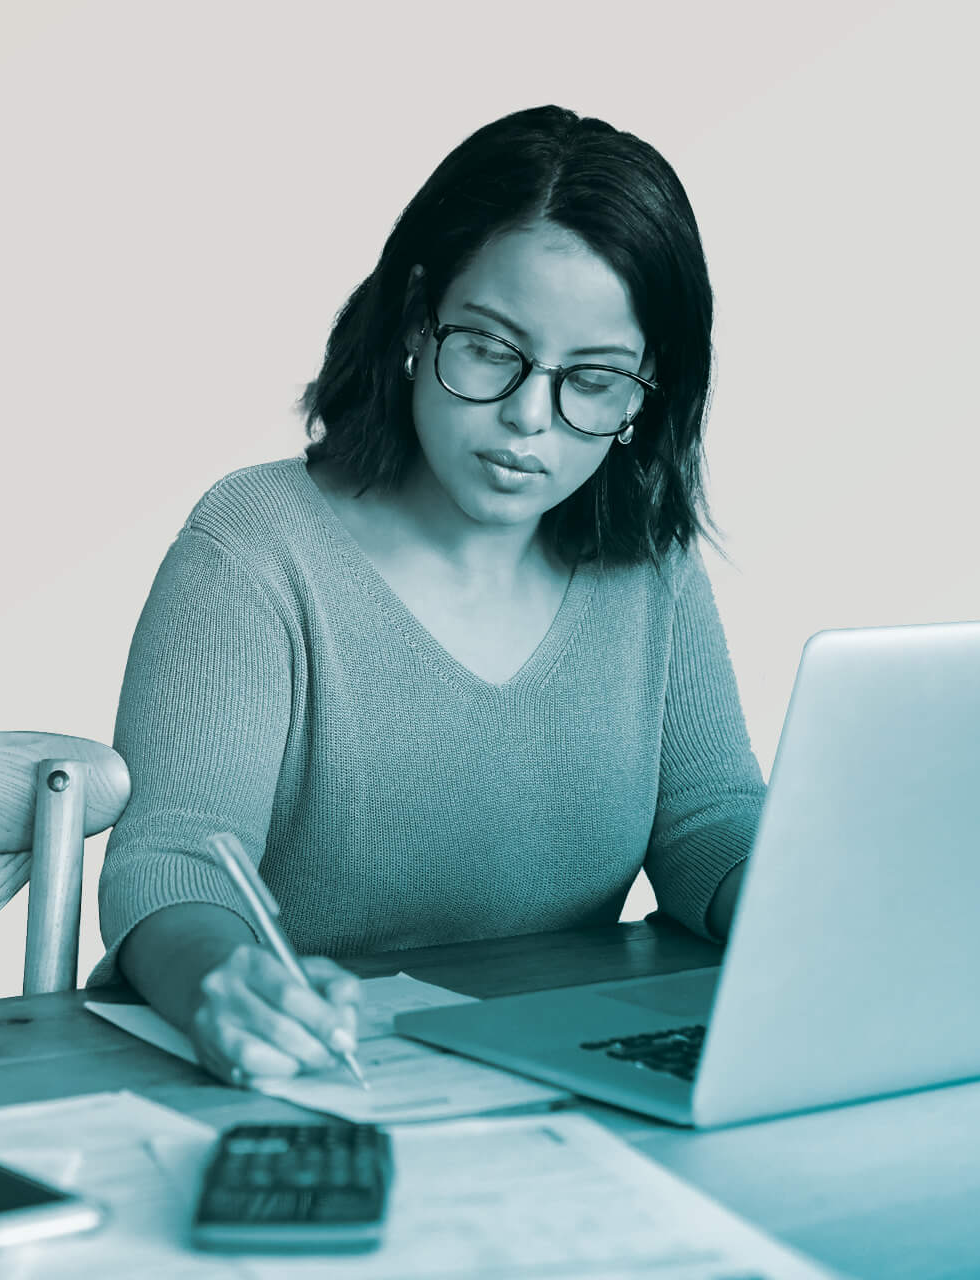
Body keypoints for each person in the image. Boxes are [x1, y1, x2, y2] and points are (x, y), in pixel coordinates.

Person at [91, 106, 766, 1090]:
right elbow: (172, 861)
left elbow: (706, 823)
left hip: (551, 1077)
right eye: (491, 349)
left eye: (593, 378)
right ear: (417, 317)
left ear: (646, 393)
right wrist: (221, 982)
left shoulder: (647, 567)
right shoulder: (257, 545)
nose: (529, 419)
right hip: (295, 1081)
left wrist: (819, 911)